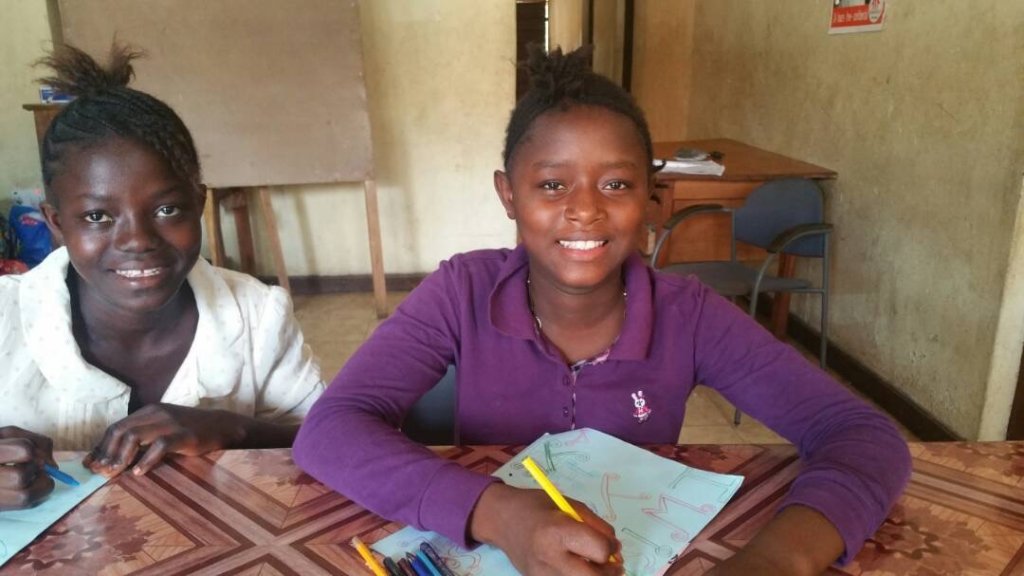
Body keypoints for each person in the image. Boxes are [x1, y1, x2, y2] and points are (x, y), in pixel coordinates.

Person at [294, 46, 910, 575]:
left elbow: (864, 437)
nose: (584, 210)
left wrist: (779, 558)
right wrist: (503, 514)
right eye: (552, 184)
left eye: (615, 184)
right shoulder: (463, 291)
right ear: (508, 195)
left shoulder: (689, 315)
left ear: (653, 198)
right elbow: (330, 430)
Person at [0, 43, 324, 510]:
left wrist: (231, 428)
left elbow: (333, 438)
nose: (137, 240)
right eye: (96, 217)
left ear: (200, 203)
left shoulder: (257, 315)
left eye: (167, 209)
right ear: (56, 223)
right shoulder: (7, 317)